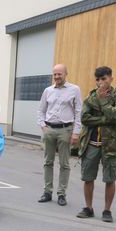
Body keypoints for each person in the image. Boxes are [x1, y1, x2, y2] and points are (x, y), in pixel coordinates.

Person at [76, 66, 116, 223]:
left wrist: (104, 102)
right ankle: (88, 208)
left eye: (104, 79)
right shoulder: (91, 96)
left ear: (111, 78)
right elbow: (84, 118)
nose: (100, 83)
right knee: (88, 177)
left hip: (111, 144)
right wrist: (105, 119)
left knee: (110, 179)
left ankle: (107, 210)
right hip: (92, 143)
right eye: (98, 80)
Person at [37, 64, 83, 206]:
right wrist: (43, 127)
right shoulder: (48, 90)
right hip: (49, 129)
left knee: (64, 163)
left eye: (59, 74)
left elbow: (78, 112)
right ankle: (47, 192)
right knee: (47, 162)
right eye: (55, 74)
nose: (57, 77)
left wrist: (76, 133)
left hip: (65, 130)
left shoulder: (74, 90)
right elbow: (41, 110)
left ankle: (61, 194)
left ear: (66, 74)